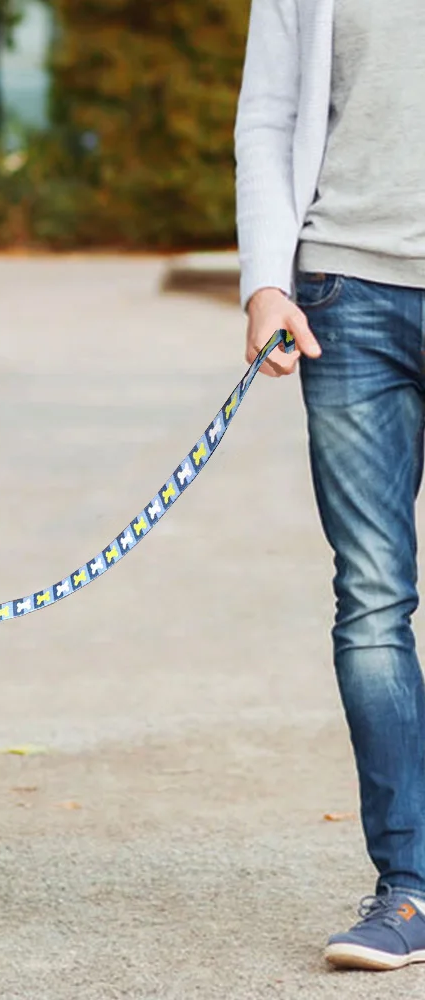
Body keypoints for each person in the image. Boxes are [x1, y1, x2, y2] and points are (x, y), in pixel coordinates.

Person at [235, 0, 425, 972]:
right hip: (347, 297)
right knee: (372, 602)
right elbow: (267, 115)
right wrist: (266, 278)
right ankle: (409, 887)